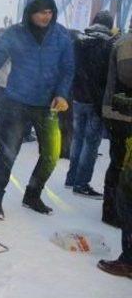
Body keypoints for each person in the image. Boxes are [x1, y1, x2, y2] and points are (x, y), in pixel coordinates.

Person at [0, 0, 74, 219]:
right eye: (41, 12)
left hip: (47, 105)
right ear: (30, 12)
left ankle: (32, 194)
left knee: (52, 154)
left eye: (50, 12)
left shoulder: (61, 36)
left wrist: (62, 94)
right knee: (8, 152)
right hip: (15, 101)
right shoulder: (15, 33)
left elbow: (68, 68)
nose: (46, 16)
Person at [65, 11, 114, 199]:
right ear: (108, 26)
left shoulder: (78, 41)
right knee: (91, 143)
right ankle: (82, 183)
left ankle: (71, 178)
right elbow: (107, 75)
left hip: (77, 97)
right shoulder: (108, 45)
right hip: (96, 100)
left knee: (77, 139)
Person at [97, 25, 132, 277]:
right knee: (121, 173)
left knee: (126, 186)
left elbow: (128, 75)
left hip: (124, 117)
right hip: (122, 116)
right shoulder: (126, 43)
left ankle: (129, 259)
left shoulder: (126, 42)